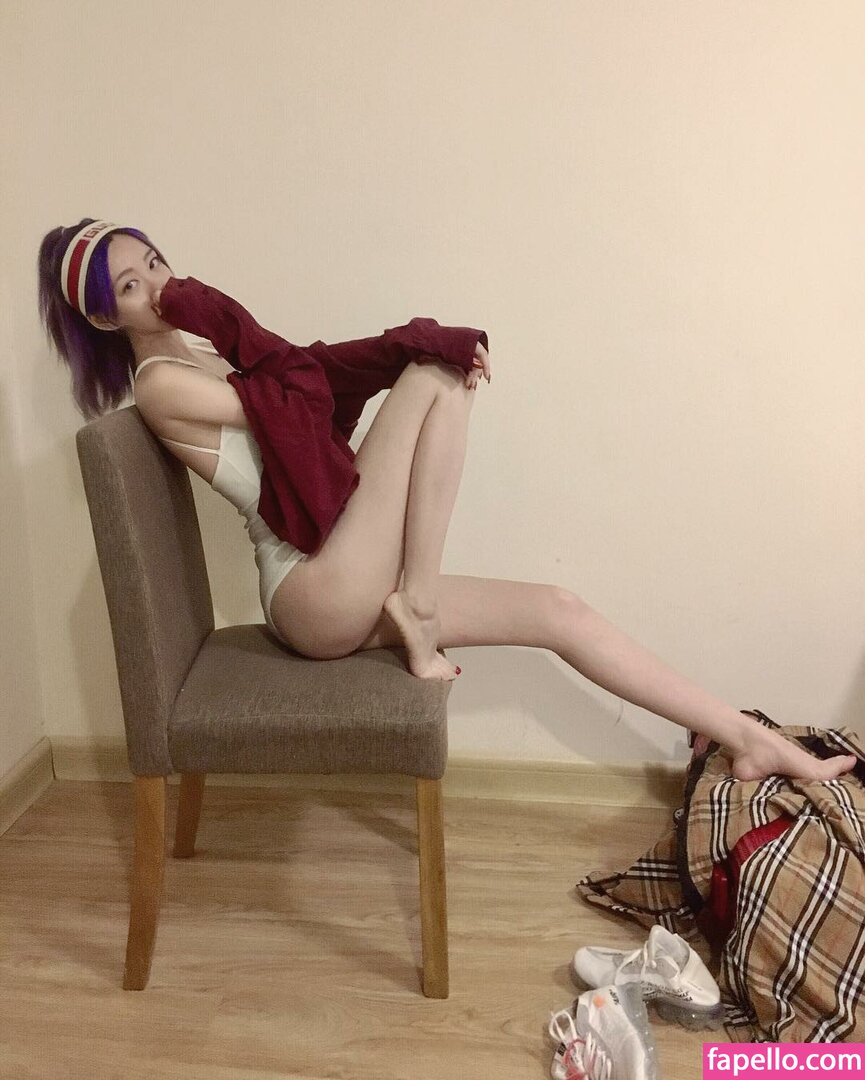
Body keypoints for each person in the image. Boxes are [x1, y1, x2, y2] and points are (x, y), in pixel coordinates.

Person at [38, 218, 857, 785]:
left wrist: (407, 342)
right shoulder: (163, 386)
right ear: (105, 316)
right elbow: (299, 400)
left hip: (345, 562)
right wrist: (216, 310)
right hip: (312, 590)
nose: (160, 285)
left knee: (557, 608)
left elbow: (305, 372)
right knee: (433, 372)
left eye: (157, 264)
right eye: (133, 286)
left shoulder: (206, 358)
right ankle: (419, 605)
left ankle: (747, 738)